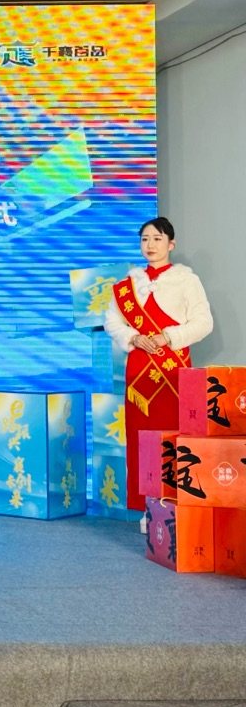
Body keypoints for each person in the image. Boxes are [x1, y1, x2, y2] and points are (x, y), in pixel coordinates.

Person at [104, 216, 212, 513]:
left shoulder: (186, 280)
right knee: (141, 438)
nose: (150, 245)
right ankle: (147, 508)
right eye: (145, 239)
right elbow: (112, 322)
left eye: (157, 239)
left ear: (171, 244)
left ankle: (174, 507)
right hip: (139, 372)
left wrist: (168, 337)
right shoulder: (127, 286)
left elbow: (204, 323)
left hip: (173, 372)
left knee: (173, 437)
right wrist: (134, 337)